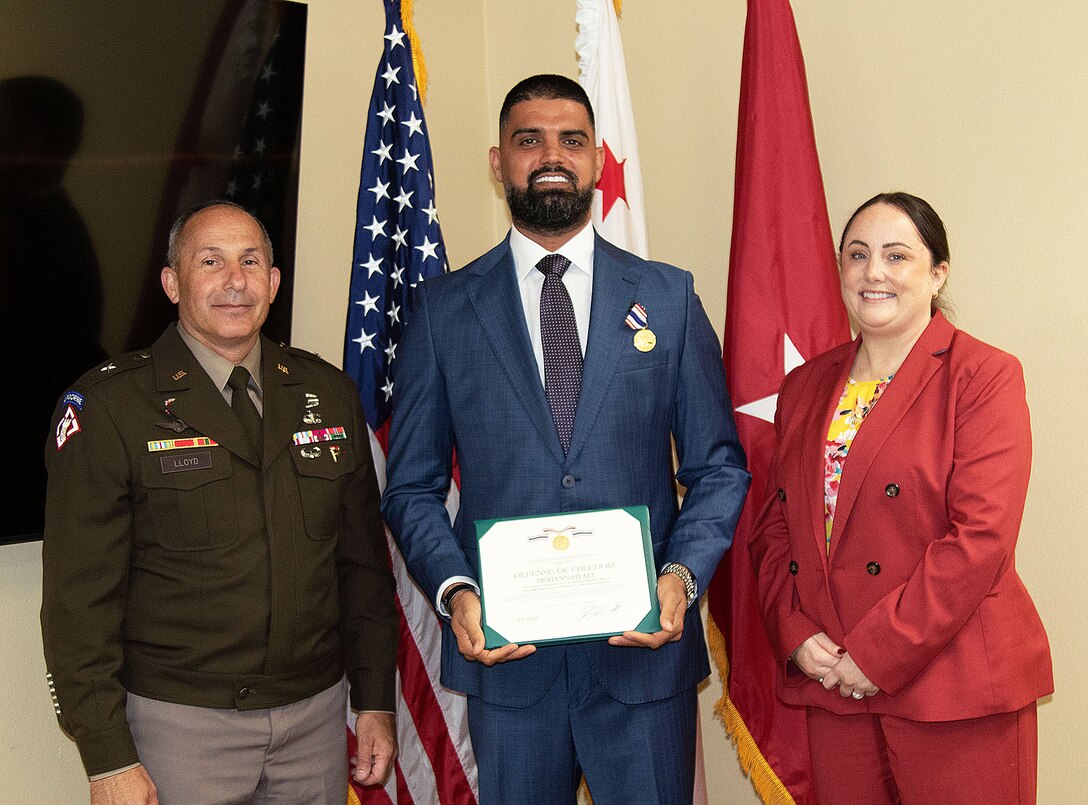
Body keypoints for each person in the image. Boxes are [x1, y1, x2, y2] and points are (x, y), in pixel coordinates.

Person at [381, 74, 750, 804]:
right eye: (529, 140)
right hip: (509, 667)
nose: (551, 154)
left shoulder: (668, 297)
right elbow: (411, 486)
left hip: (643, 667)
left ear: (596, 161)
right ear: (499, 162)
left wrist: (678, 577)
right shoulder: (444, 310)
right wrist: (456, 590)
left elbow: (718, 468)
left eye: (571, 140)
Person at [40, 200, 398, 804]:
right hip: (179, 726)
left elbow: (362, 570)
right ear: (173, 283)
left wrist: (374, 698)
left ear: (273, 283)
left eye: (251, 262)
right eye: (211, 262)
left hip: (312, 720)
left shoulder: (327, 393)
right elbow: (77, 605)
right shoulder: (111, 408)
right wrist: (106, 758)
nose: (236, 281)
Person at [749, 192, 1053, 804]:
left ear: (938, 272)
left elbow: (981, 539)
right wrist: (794, 629)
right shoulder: (804, 387)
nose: (874, 273)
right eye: (857, 255)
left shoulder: (983, 375)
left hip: (955, 689)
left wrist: (878, 653)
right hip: (834, 683)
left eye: (897, 255)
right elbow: (775, 527)